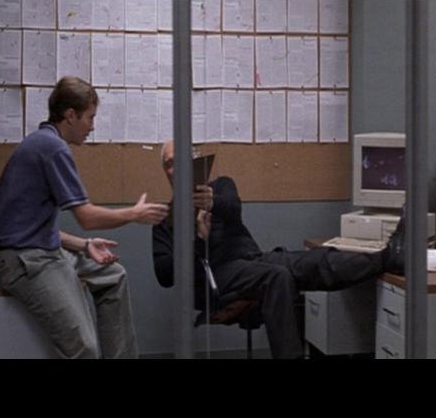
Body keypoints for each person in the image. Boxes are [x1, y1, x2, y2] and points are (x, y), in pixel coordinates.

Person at [151, 140, 405, 359]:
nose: (176, 168)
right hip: (212, 280)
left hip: (252, 261)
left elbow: (233, 208)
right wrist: (198, 240)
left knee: (313, 261)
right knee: (275, 277)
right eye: (170, 163)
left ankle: (389, 257)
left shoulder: (221, 187)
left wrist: (212, 203)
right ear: (165, 172)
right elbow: (165, 276)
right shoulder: (165, 221)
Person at [0, 76, 169, 359]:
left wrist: (84, 245)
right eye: (90, 117)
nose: (92, 127)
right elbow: (86, 217)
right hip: (27, 262)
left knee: (113, 276)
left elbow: (30, 228)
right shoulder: (52, 148)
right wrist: (133, 214)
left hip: (41, 251)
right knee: (84, 346)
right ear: (70, 115)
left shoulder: (40, 142)